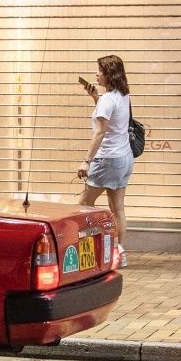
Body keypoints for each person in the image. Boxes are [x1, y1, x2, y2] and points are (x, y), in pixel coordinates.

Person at [77, 54, 134, 265]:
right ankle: (120, 253)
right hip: (124, 158)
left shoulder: (107, 100)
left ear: (109, 74)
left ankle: (88, 251)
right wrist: (95, 98)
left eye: (99, 71)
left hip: (107, 159)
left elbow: (100, 133)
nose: (96, 74)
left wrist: (86, 161)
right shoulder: (122, 95)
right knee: (117, 207)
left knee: (84, 204)